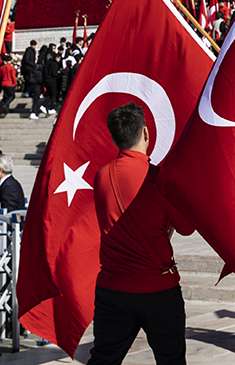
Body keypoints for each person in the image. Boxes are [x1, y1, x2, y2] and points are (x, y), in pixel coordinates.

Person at [89, 103, 195, 365]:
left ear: (114, 138)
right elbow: (186, 227)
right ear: (146, 133)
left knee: (103, 359)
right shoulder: (159, 180)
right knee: (171, 360)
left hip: (112, 288)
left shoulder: (101, 176)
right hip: (157, 289)